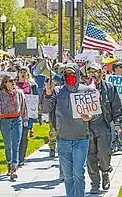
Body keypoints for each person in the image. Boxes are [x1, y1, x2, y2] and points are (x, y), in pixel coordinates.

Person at [42, 63, 95, 197]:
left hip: (81, 139)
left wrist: (90, 117)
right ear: (63, 76)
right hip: (63, 140)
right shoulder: (58, 91)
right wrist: (48, 94)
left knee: (78, 172)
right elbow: (45, 109)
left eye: (72, 74)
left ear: (77, 74)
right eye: (67, 74)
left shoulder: (87, 90)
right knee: (68, 175)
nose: (70, 77)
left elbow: (96, 112)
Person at [86, 63, 122, 194]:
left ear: (101, 72)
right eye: (90, 72)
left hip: (103, 124)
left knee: (104, 154)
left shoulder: (109, 88)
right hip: (88, 126)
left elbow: (117, 107)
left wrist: (118, 123)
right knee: (90, 157)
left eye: (95, 72)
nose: (93, 75)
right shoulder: (83, 89)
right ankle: (94, 183)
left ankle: (105, 172)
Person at [0, 75, 28, 180]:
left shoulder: (19, 93)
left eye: (14, 81)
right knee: (8, 145)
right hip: (5, 121)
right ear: (5, 83)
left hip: (17, 120)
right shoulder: (0, 94)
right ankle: (9, 163)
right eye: (10, 81)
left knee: (16, 144)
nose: (13, 83)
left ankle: (14, 168)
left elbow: (23, 107)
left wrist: (25, 120)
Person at [16, 67, 39, 166]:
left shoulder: (32, 85)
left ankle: (21, 158)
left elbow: (36, 98)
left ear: (27, 74)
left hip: (27, 114)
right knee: (16, 136)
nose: (23, 74)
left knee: (24, 136)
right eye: (21, 72)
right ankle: (15, 158)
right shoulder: (14, 85)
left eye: (25, 72)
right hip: (16, 113)